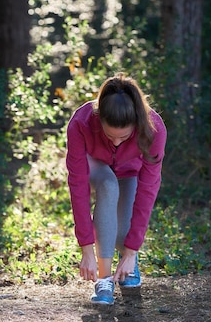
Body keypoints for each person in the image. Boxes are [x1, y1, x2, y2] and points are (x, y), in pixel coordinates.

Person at [65, 73, 167, 305]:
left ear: (137, 124)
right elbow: (78, 187)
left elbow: (148, 189)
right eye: (110, 136)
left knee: (122, 235)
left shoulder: (155, 129)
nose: (117, 142)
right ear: (99, 119)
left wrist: (131, 250)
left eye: (125, 136)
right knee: (108, 186)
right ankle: (104, 279)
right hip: (97, 166)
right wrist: (86, 249)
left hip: (130, 170)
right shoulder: (81, 123)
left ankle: (128, 259)